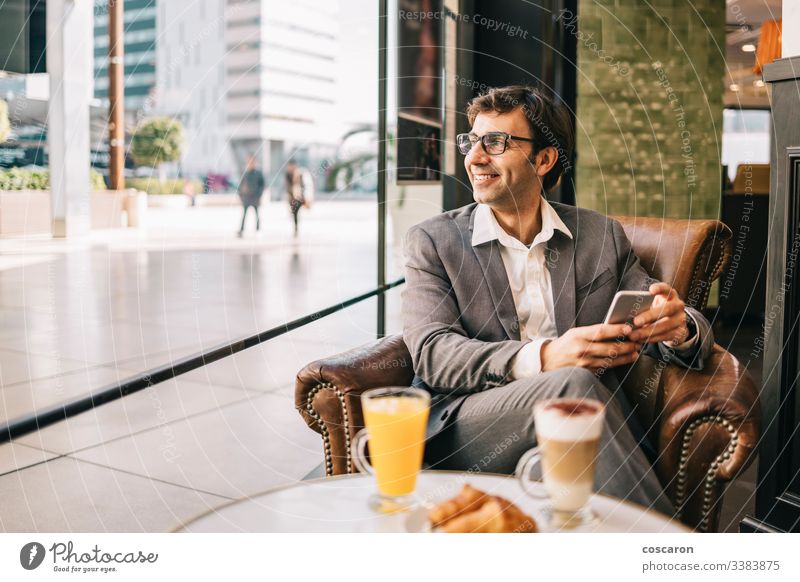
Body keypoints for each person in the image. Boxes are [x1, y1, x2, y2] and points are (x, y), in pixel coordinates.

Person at [401, 85, 714, 516]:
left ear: (545, 160)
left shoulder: (600, 237)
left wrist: (679, 327)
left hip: (588, 426)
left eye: (495, 143)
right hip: (470, 424)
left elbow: (650, 311)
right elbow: (433, 354)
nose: (474, 158)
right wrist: (546, 356)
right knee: (574, 387)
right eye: (471, 142)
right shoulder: (433, 242)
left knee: (578, 395)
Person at [237, 156, 265, 237]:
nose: (251, 164)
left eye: (252, 162)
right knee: (244, 215)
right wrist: (241, 196)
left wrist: (259, 195)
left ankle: (258, 229)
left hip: (255, 198)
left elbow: (262, 185)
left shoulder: (258, 173)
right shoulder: (245, 173)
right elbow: (240, 186)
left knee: (257, 214)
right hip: (246, 198)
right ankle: (241, 230)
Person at [285, 161, 314, 236]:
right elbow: (287, 187)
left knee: (297, 212)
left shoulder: (300, 174)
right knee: (294, 213)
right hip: (292, 198)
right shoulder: (288, 175)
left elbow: (305, 185)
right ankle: (296, 228)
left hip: (300, 197)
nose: (291, 168)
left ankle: (297, 228)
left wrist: (304, 196)